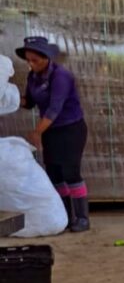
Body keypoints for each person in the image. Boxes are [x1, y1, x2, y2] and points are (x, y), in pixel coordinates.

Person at [16, 36, 90, 232]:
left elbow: (54, 109)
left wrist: (36, 132)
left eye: (35, 60)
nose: (31, 64)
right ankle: (64, 215)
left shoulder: (61, 76)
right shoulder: (32, 76)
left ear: (47, 57)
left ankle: (82, 218)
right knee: (55, 173)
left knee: (71, 173)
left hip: (70, 129)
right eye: (28, 60)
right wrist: (10, 97)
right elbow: (30, 102)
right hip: (51, 131)